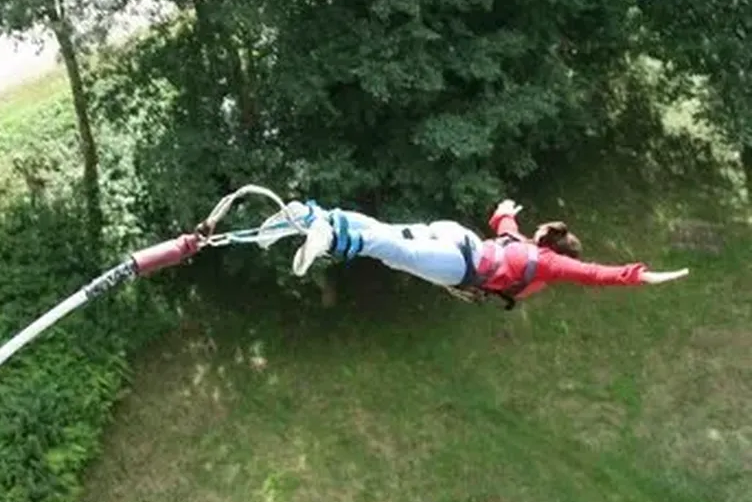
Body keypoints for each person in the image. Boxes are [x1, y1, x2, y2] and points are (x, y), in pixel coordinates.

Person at [265, 199, 689, 308]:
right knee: (389, 249)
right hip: (462, 265)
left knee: (386, 234)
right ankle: (328, 237)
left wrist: (505, 212)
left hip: (458, 236)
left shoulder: (520, 243)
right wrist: (641, 275)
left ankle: (311, 215)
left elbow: (502, 223)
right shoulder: (547, 265)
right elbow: (595, 274)